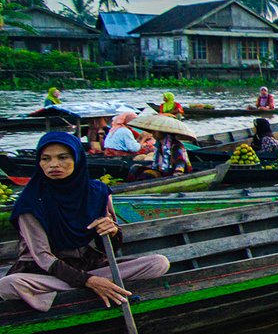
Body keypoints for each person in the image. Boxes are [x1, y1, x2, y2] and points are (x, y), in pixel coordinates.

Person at [1, 133, 171, 312]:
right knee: (7, 284)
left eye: (63, 157)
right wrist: (89, 281)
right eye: (45, 159)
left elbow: (110, 249)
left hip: (90, 266)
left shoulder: (97, 192)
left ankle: (93, 287)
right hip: (46, 273)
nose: (53, 165)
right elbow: (43, 258)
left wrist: (113, 230)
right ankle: (96, 287)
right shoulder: (31, 202)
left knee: (158, 263)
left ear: (77, 158)